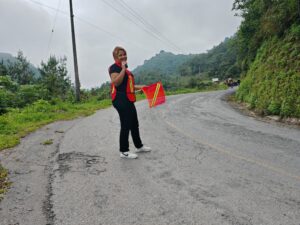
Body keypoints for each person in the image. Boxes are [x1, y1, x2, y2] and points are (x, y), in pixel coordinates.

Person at [109, 46, 151, 159]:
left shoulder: (127, 71)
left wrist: (141, 87)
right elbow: (116, 83)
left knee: (134, 123)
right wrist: (122, 69)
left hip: (128, 98)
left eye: (124, 54)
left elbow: (129, 87)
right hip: (120, 99)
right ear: (115, 57)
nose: (123, 56)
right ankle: (124, 151)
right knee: (126, 124)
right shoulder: (114, 68)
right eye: (120, 55)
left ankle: (139, 146)